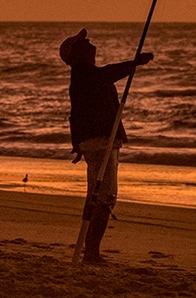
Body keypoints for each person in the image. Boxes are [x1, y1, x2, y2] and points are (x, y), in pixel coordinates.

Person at [60, 28, 153, 264]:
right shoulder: (84, 74)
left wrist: (77, 143)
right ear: (77, 55)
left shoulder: (85, 76)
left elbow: (75, 115)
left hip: (98, 142)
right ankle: (91, 252)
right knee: (106, 196)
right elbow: (108, 74)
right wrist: (135, 63)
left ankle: (89, 248)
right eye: (84, 42)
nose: (90, 42)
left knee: (95, 195)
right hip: (101, 142)